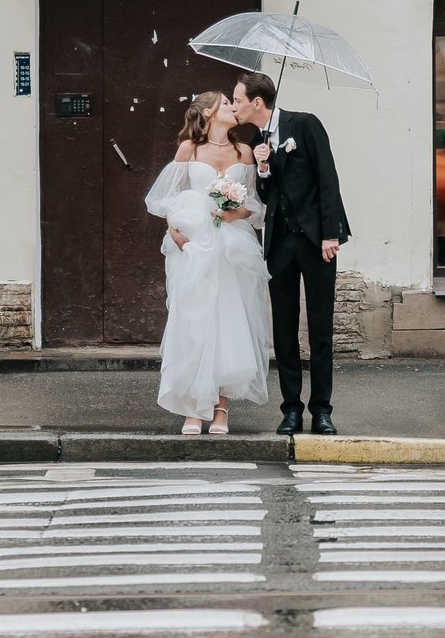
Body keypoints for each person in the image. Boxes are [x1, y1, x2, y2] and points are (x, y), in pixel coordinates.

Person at [230, 70, 349, 436]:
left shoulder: (306, 125)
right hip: (279, 245)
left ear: (257, 102)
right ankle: (291, 410)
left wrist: (332, 234)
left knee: (320, 329)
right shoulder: (255, 140)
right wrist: (263, 168)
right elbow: (267, 198)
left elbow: (328, 178)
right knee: (283, 330)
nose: (233, 106)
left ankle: (322, 411)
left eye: (236, 100)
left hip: (316, 243)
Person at [146, 92, 273, 435]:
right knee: (194, 320)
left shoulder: (243, 152)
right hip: (197, 245)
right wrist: (172, 228)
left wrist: (233, 212)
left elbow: (254, 205)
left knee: (228, 321)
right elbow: (165, 198)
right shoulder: (189, 149)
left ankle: (220, 409)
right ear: (208, 113)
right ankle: (192, 407)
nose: (234, 107)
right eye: (226, 103)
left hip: (232, 245)